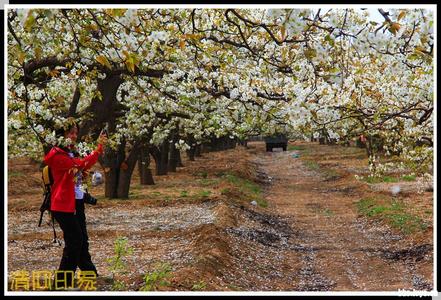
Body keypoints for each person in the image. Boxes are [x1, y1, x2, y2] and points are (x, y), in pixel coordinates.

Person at [43, 122, 107, 290]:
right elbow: (81, 164)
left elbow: (79, 171)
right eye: (69, 133)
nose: (73, 135)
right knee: (76, 240)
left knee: (80, 241)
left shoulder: (69, 152)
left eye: (75, 132)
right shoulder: (58, 155)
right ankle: (62, 283)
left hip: (74, 203)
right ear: (60, 135)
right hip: (63, 205)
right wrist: (98, 149)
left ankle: (87, 276)